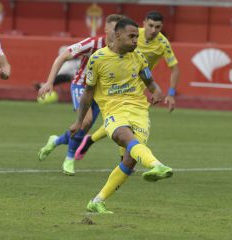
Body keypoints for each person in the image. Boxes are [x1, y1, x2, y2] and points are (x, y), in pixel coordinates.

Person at [69, 18, 173, 214]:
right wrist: (79, 121)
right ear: (117, 35)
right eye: (131, 36)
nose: (136, 41)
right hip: (113, 110)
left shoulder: (139, 57)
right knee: (121, 135)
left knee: (130, 160)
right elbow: (88, 93)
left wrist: (157, 91)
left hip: (139, 111)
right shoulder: (98, 59)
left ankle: (97, 201)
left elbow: (149, 81)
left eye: (137, 37)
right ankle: (157, 165)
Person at [75, 11, 179, 160]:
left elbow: (175, 68)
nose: (153, 30)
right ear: (144, 23)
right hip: (118, 83)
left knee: (125, 122)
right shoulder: (133, 32)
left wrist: (171, 93)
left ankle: (92, 140)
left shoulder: (163, 44)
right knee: (121, 121)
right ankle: (123, 159)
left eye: (158, 27)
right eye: (150, 25)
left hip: (139, 84)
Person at [37, 14, 125, 176]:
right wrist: (49, 82)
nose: (117, 33)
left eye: (120, 30)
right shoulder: (93, 43)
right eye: (114, 29)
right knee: (87, 120)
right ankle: (69, 158)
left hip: (101, 92)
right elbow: (63, 56)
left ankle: (55, 141)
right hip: (81, 86)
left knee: (83, 128)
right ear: (105, 29)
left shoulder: (124, 49)